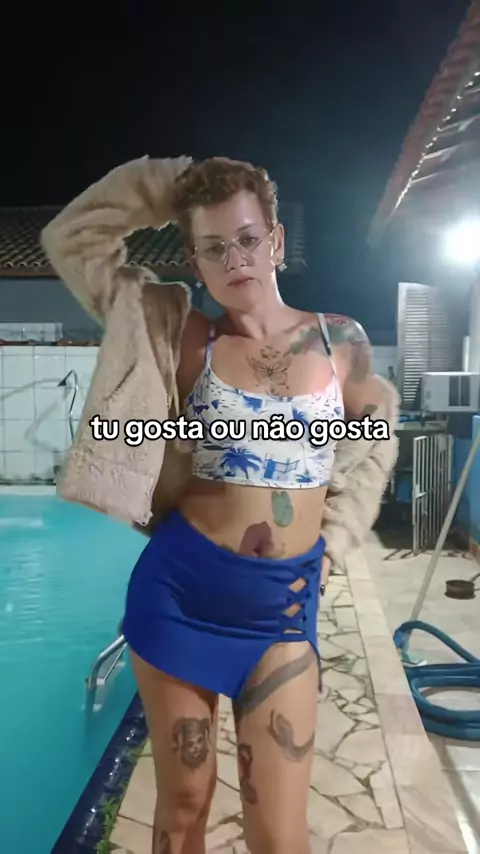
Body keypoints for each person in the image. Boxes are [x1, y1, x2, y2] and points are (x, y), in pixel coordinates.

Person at [42, 155, 399, 854]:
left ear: (276, 241)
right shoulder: (180, 334)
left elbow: (373, 435)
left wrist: (338, 538)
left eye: (247, 238)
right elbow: (71, 237)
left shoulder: (338, 341)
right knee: (183, 809)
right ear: (193, 259)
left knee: (280, 835)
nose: (234, 259)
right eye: (212, 246)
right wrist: (175, 183)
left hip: (280, 609)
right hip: (181, 592)